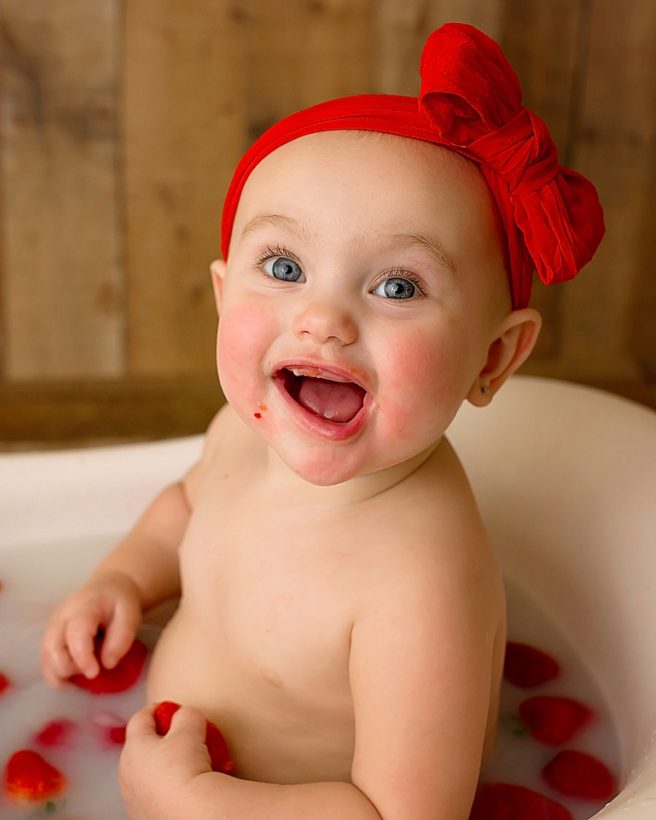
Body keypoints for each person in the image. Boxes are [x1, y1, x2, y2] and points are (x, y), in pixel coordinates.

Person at [39, 22, 604, 820]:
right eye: (283, 267)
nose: (323, 318)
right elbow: (186, 510)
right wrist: (122, 580)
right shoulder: (245, 428)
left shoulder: (419, 576)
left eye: (399, 287)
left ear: (493, 360)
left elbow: (403, 814)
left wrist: (196, 804)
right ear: (222, 293)